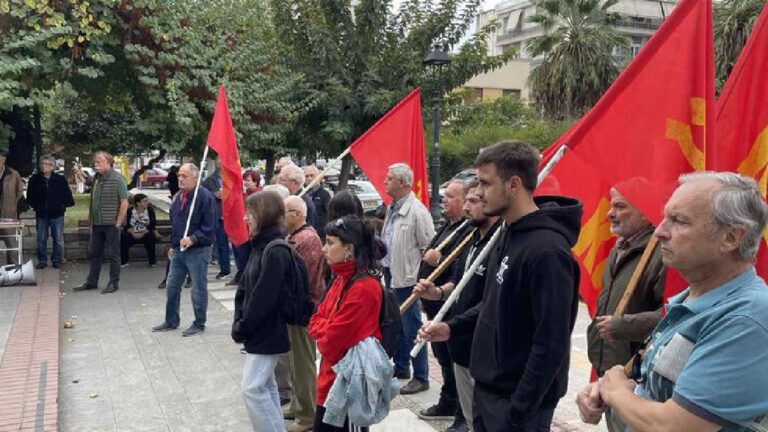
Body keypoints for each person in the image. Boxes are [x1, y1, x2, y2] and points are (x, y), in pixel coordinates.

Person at [577, 172, 768, 432]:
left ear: (731, 238)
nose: (659, 231)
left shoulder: (745, 317)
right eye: (665, 217)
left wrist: (617, 393)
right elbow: (662, 390)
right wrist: (612, 387)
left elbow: (676, 426)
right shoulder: (692, 303)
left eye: (678, 221)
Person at [418, 141, 582, 431]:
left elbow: (551, 342)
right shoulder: (506, 234)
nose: (477, 193)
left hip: (516, 405)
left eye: (484, 183)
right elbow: (494, 302)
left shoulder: (547, 251)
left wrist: (518, 411)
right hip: (489, 390)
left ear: (513, 184)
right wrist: (453, 327)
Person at [415, 181, 501, 432]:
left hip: (482, 341)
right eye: (467, 201)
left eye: (474, 201)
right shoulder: (472, 238)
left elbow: (494, 299)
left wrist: (451, 326)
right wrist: (438, 292)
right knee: (471, 411)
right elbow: (461, 279)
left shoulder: (499, 243)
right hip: (461, 338)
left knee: (485, 416)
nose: (466, 207)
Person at [585, 186, 665, 432]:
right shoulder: (620, 248)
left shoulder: (660, 252)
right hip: (611, 371)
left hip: (637, 381)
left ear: (645, 211)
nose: (610, 213)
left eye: (620, 206)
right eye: (612, 205)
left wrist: (626, 326)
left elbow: (676, 314)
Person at [308, 216, 386, 432]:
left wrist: (324, 328)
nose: (324, 249)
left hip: (347, 387)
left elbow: (328, 344)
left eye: (330, 243)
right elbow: (316, 319)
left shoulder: (364, 287)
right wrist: (325, 326)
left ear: (349, 249)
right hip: (331, 380)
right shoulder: (341, 277)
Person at [231, 191, 294, 432]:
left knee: (252, 389)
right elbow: (248, 288)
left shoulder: (274, 249)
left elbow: (265, 297)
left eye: (251, 213)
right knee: (265, 386)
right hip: (259, 329)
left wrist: (243, 326)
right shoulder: (261, 245)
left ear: (265, 215)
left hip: (267, 329)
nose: (246, 218)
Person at [414, 180, 471, 430]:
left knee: (455, 357)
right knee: (443, 357)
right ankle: (448, 401)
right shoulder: (448, 226)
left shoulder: (468, 231)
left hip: (453, 306)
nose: (444, 200)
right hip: (436, 303)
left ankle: (461, 411)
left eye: (450, 196)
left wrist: (438, 264)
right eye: (444, 195)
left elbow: (458, 269)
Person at [381, 162, 436, 395]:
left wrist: (420, 281)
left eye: (390, 178)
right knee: (399, 325)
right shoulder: (392, 207)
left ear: (403, 183)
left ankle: (421, 376)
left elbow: (429, 249)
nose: (385, 181)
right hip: (391, 273)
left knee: (413, 326)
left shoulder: (418, 212)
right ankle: (402, 367)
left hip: (408, 278)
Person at [152, 163, 216, 337]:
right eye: (179, 175)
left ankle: (199, 322)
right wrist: (173, 245)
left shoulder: (205, 197)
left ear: (195, 177)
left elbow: (210, 228)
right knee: (172, 285)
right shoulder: (179, 196)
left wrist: (193, 238)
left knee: (198, 288)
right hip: (179, 250)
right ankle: (171, 320)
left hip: (198, 251)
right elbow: (177, 225)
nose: (180, 179)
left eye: (185, 176)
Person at [282, 196, 325, 432]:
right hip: (294, 308)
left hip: (304, 308)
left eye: (285, 211)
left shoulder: (306, 238)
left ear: (297, 214)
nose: (281, 216)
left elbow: (302, 279)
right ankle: (299, 405)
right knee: (293, 360)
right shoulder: (294, 236)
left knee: (303, 362)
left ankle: (308, 414)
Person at [73, 151, 129, 294]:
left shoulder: (118, 179)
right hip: (97, 224)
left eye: (99, 162)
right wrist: (90, 218)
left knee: (113, 254)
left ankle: (113, 283)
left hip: (111, 224)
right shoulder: (97, 179)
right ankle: (92, 281)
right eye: (95, 162)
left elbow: (124, 202)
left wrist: (118, 222)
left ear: (108, 163)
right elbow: (93, 200)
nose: (95, 165)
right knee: (95, 253)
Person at [27, 154, 75, 269]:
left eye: (47, 164)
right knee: (41, 239)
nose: (44, 167)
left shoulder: (59, 180)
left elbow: (67, 196)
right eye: (42, 164)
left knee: (57, 239)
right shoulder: (35, 179)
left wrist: (62, 206)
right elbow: (30, 196)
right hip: (41, 214)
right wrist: (36, 206)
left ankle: (56, 260)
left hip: (57, 214)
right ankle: (42, 260)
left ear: (53, 166)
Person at [227, 169, 263, 288]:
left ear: (256, 181)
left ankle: (246, 277)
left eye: (248, 180)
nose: (245, 183)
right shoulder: (243, 194)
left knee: (248, 256)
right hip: (241, 231)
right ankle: (241, 275)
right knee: (240, 256)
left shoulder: (260, 196)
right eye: (244, 180)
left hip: (252, 232)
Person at [202, 157, 231, 279]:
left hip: (230, 214)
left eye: (222, 161)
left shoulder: (231, 178)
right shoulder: (209, 180)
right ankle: (224, 270)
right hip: (217, 216)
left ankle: (237, 270)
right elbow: (204, 195)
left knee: (235, 244)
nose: (220, 164)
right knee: (221, 244)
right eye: (218, 162)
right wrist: (214, 195)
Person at [120, 193, 159, 268]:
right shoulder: (130, 211)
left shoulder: (150, 210)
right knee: (123, 238)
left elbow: (152, 225)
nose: (147, 202)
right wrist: (133, 233)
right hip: (132, 233)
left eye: (147, 200)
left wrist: (142, 233)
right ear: (138, 203)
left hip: (145, 233)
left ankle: (152, 261)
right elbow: (126, 225)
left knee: (150, 238)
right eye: (144, 201)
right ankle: (124, 261)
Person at [303, 165, 331, 242]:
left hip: (320, 236)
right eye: (306, 176)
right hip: (305, 235)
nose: (309, 178)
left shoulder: (324, 194)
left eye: (312, 175)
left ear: (318, 177)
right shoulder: (302, 195)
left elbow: (330, 214)